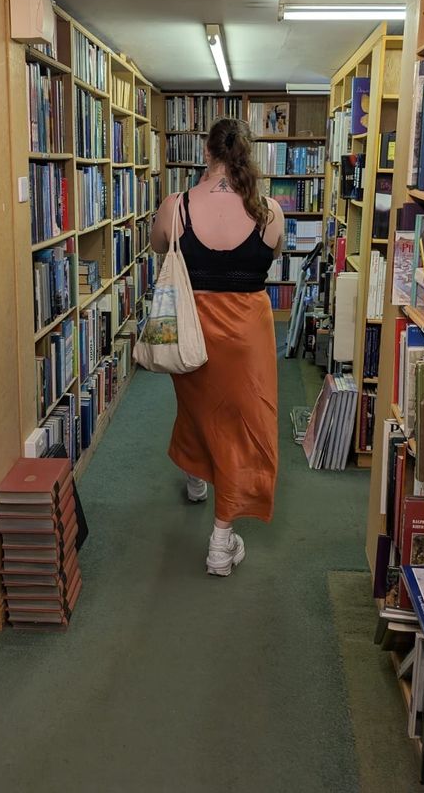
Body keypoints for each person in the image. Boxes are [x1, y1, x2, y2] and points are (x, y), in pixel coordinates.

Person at [150, 117, 284, 576]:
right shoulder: (270, 211)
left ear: (206, 153)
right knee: (243, 428)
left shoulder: (176, 205)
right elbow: (276, 252)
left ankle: (197, 477)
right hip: (249, 336)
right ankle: (221, 542)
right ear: (246, 154)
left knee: (197, 409)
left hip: (192, 329)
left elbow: (157, 247)